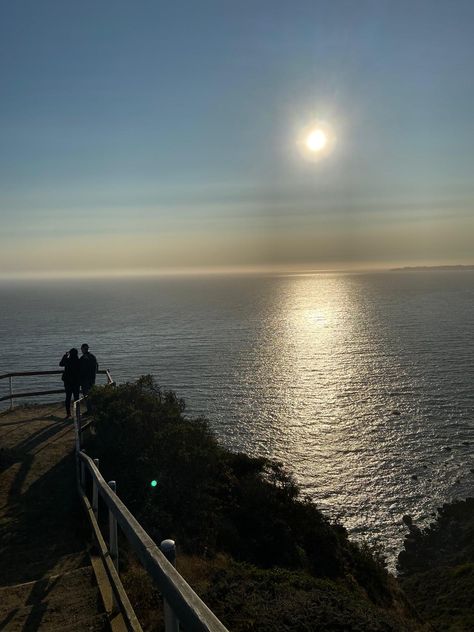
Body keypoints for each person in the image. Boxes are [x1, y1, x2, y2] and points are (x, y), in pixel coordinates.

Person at [59, 348, 81, 419]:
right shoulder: (78, 361)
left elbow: (61, 364)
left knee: (68, 398)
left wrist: (65, 356)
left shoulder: (67, 360)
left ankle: (68, 414)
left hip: (68, 382)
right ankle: (77, 413)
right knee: (76, 398)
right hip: (76, 382)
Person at [79, 343, 99, 414]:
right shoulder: (93, 356)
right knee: (92, 394)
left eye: (82, 349)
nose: (81, 350)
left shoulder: (82, 358)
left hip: (85, 380)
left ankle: (89, 410)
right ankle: (93, 409)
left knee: (86, 395)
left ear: (83, 349)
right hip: (92, 379)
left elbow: (80, 369)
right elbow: (97, 366)